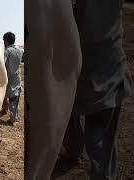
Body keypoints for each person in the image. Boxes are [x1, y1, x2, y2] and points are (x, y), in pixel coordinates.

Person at [52, 0, 134, 179]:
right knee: (97, 134)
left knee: (74, 122)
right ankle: (75, 154)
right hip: (106, 69)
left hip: (77, 71)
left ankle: (74, 154)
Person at [0, 32, 23, 125]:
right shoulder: (20, 50)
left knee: (7, 97)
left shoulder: (7, 51)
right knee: (14, 98)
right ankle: (6, 110)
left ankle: (13, 119)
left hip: (8, 78)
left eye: (3, 40)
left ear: (6, 40)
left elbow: (2, 64)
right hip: (17, 77)